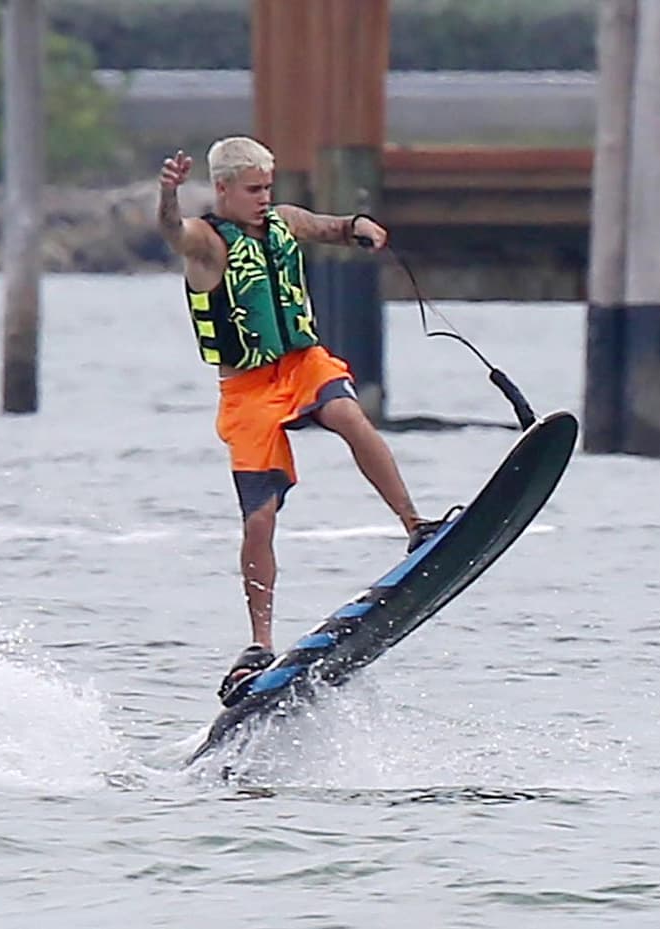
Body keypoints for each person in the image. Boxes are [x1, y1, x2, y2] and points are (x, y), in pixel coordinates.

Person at [157, 135, 446, 705]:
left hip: (301, 363)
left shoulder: (284, 221)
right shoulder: (207, 246)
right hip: (247, 388)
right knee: (260, 520)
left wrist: (360, 224)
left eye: (269, 187)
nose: (265, 198)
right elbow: (172, 232)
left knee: (348, 414)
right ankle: (259, 644)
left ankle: (416, 526)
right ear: (222, 190)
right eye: (254, 189)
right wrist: (167, 196)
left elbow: (329, 226)